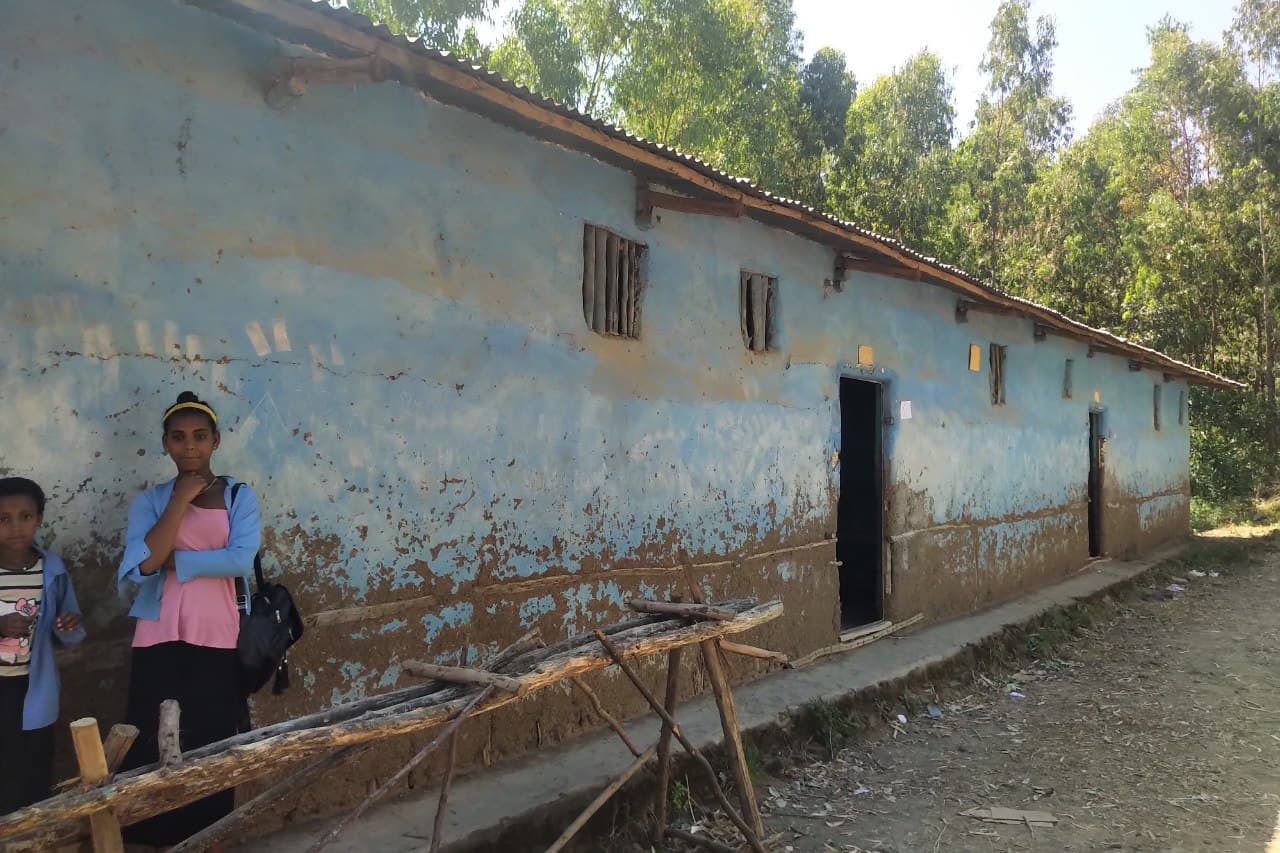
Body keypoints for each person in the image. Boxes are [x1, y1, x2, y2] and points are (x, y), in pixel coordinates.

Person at [117, 391, 260, 846]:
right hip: (156, 636)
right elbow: (142, 567)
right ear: (166, 445)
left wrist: (172, 559)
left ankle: (205, 838)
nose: (190, 446)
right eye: (178, 438)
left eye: (200, 436)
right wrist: (180, 499)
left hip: (217, 637)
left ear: (216, 440)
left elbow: (239, 560)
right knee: (146, 742)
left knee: (212, 742)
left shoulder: (239, 495)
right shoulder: (152, 501)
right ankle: (151, 839)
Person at [0, 476, 85, 815]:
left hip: (33, 686)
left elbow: (72, 626)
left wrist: (67, 625)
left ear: (39, 519)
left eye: (25, 516)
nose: (15, 527)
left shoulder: (50, 569)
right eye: (3, 518)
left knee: (34, 765)